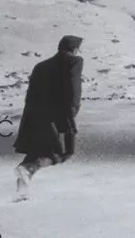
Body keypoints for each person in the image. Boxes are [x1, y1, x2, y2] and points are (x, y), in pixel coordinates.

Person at [13, 35, 84, 196]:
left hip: (33, 116)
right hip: (59, 114)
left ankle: (22, 190)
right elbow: (74, 85)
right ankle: (28, 169)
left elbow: (30, 95)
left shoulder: (41, 66)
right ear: (74, 49)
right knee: (62, 153)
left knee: (36, 152)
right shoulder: (74, 61)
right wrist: (72, 109)